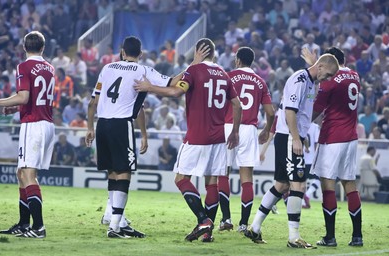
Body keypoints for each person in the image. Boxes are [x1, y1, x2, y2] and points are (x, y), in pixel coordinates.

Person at [134, 38, 242, 242]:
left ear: (198, 51)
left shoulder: (194, 71)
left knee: (181, 179)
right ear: (214, 53)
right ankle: (207, 234)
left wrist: (150, 87)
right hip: (219, 137)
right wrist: (234, 131)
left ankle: (203, 220)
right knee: (212, 183)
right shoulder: (224, 74)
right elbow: (237, 105)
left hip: (197, 136)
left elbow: (176, 92)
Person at [245, 51, 339, 248]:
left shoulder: (312, 81)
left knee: (281, 184)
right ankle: (293, 237)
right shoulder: (300, 79)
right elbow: (290, 111)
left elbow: (304, 111)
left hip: (291, 137)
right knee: (299, 185)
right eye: (328, 74)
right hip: (288, 137)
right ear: (320, 68)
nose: (328, 79)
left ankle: (254, 227)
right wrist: (296, 138)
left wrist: (301, 136)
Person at [86, 36, 171, 239]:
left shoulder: (107, 68)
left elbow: (92, 102)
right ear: (140, 54)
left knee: (113, 171)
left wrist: (89, 127)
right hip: (121, 124)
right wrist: (193, 65)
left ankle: (114, 217)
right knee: (124, 172)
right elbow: (170, 82)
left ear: (122, 52)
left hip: (102, 124)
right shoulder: (142, 71)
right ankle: (116, 225)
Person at [0, 31, 55, 238]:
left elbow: (23, 97)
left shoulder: (24, 66)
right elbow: (35, 99)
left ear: (24, 47)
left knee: (28, 175)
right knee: (21, 173)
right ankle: (24, 224)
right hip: (46, 122)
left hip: (34, 125)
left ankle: (38, 227)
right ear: (43, 47)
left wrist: (1, 102)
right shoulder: (50, 67)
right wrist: (15, 109)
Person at [308, 47, 363, 247]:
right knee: (350, 184)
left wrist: (300, 126)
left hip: (332, 137)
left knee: (328, 185)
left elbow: (317, 108)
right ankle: (357, 236)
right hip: (351, 137)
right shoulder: (355, 76)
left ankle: (330, 237)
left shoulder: (330, 80)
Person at [217, 47, 275, 233]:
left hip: (227, 126)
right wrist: (266, 130)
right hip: (249, 129)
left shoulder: (228, 76)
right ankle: (243, 224)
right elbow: (270, 113)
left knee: (223, 174)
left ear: (238, 60)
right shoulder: (260, 82)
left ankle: (226, 219)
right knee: (247, 178)